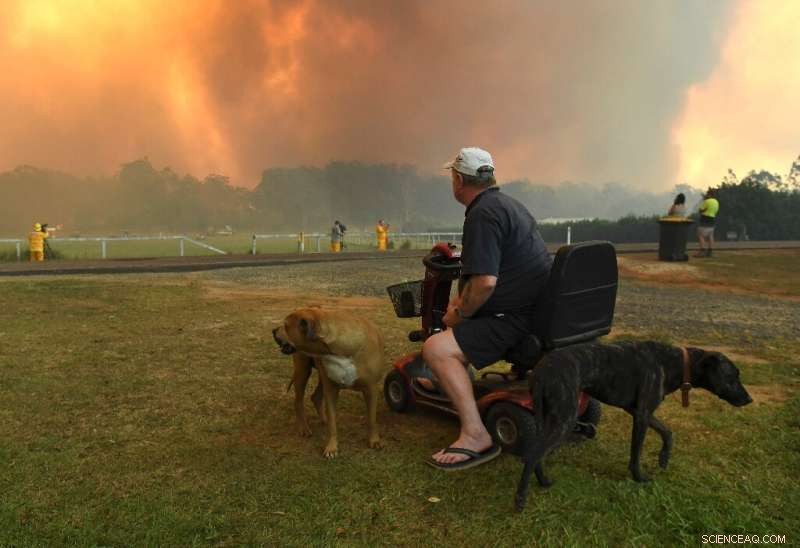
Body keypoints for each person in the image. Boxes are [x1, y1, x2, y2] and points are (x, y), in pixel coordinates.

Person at [422, 147, 552, 471]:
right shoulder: (509, 205)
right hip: (539, 311)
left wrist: (461, 314)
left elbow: (486, 283)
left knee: (436, 348)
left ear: (458, 180)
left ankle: (474, 434)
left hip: (516, 319)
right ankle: (452, 384)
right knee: (457, 321)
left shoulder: (482, 214)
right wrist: (464, 303)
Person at [696, 189, 719, 257]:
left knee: (700, 235)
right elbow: (715, 211)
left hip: (705, 219)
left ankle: (702, 251)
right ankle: (710, 251)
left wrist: (702, 211)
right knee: (710, 235)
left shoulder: (706, 201)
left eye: (707, 194)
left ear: (709, 194)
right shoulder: (716, 202)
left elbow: (700, 210)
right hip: (712, 219)